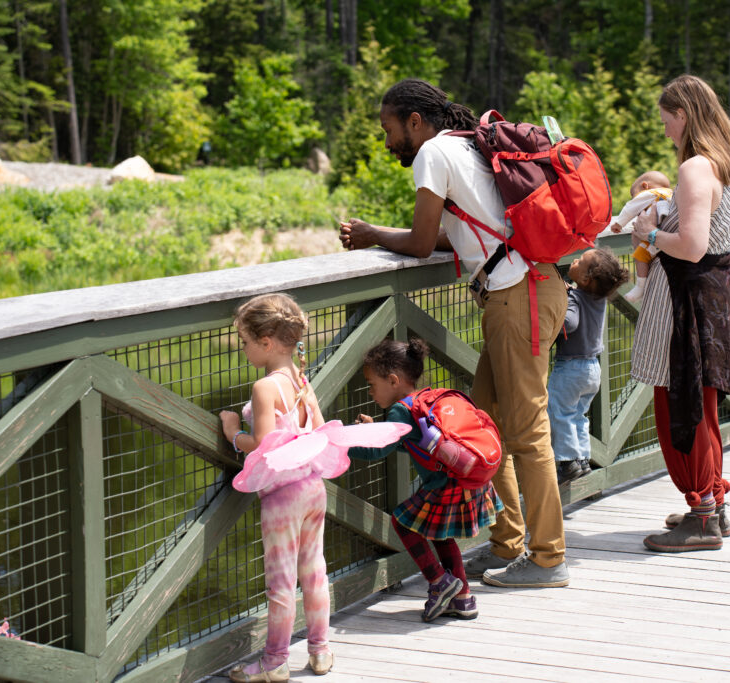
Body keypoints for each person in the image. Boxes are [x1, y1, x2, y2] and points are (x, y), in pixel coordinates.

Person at [339, 78, 570, 588]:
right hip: (526, 290)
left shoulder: (432, 153)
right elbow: (460, 232)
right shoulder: (469, 143)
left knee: (528, 434)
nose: (387, 141)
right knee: (484, 422)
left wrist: (374, 234)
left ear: (414, 122)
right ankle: (508, 542)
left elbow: (422, 243)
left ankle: (549, 558)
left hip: (519, 297)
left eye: (389, 129)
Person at [629, 74, 730, 553]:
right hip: (713, 296)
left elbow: (693, 246)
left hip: (688, 302)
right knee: (703, 402)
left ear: (683, 115)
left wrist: (650, 232)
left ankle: (700, 517)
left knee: (682, 404)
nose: (665, 132)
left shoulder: (695, 168)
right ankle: (712, 504)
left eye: (666, 122)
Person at [219, 293, 335, 681]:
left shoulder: (264, 388)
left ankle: (274, 662)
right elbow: (319, 432)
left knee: (281, 581)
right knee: (314, 571)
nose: (244, 349)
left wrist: (234, 434)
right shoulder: (302, 381)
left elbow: (266, 445)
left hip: (283, 498)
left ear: (266, 342)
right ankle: (320, 652)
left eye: (245, 342)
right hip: (313, 488)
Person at [348, 338, 502, 621]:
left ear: (393, 380)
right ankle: (463, 598)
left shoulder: (400, 411)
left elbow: (376, 451)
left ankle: (439, 581)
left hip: (446, 486)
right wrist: (376, 428)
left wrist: (343, 442)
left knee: (401, 521)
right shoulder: (424, 401)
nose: (370, 392)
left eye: (372, 384)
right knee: (441, 535)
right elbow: (410, 441)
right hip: (466, 477)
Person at [550, 248, 628, 485]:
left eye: (579, 261)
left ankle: (567, 461)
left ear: (585, 279)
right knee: (578, 415)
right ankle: (583, 459)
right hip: (593, 369)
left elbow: (570, 323)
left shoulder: (574, 298)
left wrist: (558, 304)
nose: (573, 260)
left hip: (571, 368)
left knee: (558, 412)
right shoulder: (598, 297)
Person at [608, 171, 673, 303]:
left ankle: (640, 286)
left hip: (653, 238)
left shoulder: (649, 193)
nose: (635, 198)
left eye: (634, 194)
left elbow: (630, 208)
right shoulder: (672, 195)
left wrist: (619, 223)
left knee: (640, 256)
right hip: (667, 238)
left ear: (645, 186)